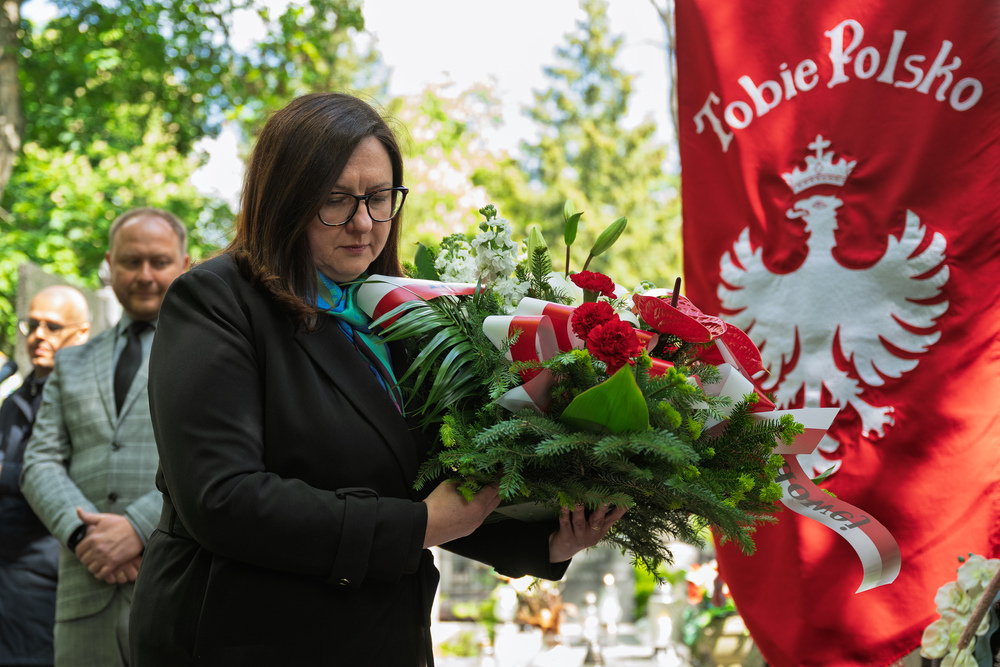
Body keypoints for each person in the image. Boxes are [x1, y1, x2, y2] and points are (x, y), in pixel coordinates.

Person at [128, 92, 625, 667]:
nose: (365, 223)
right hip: (243, 633)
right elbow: (223, 499)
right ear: (285, 199)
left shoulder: (399, 312)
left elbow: (423, 480)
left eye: (379, 198)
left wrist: (545, 540)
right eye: (335, 201)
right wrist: (418, 526)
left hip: (381, 634)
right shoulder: (216, 300)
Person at [20, 208, 190, 667]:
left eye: (160, 261)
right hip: (83, 596)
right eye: (131, 262)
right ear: (110, 264)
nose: (145, 275)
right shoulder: (71, 362)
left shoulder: (212, 352)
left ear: (185, 265)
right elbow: (39, 462)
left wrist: (137, 527)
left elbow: (218, 460)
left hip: (177, 590)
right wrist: (82, 535)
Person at [0, 286, 90, 666]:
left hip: (46, 566)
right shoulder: (18, 394)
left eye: (52, 327)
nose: (38, 335)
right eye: (32, 325)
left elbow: (75, 479)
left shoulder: (87, 397)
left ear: (81, 333)